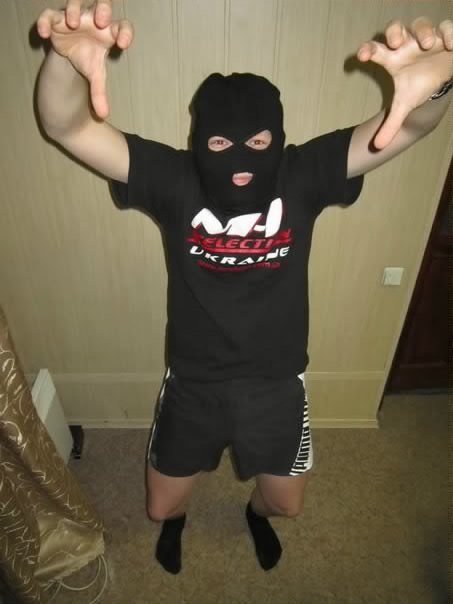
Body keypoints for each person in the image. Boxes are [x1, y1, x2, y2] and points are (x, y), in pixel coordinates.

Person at [36, 0, 453, 575]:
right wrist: (64, 62)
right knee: (159, 508)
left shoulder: (302, 173)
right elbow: (67, 126)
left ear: (276, 140)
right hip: (194, 378)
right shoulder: (174, 177)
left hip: (277, 380)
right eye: (219, 146)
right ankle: (178, 522)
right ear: (198, 142)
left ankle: (254, 517)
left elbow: (407, 125)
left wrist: (437, 86)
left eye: (258, 145)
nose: (239, 161)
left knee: (286, 505)